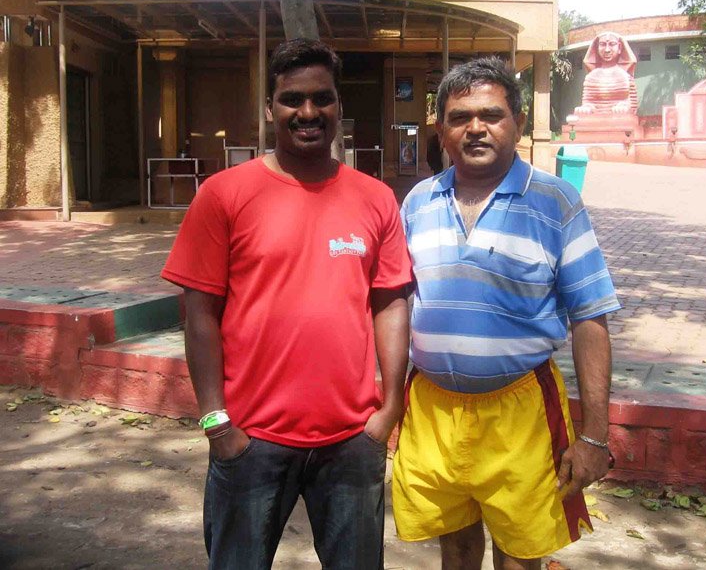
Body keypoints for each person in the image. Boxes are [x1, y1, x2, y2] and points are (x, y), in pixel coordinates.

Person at [162, 38, 412, 569]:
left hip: (352, 439)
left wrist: (390, 409)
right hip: (250, 440)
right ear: (269, 108)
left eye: (322, 98)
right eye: (292, 99)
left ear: (339, 105)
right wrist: (216, 423)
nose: (308, 112)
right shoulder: (224, 194)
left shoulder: (375, 199)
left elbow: (391, 304)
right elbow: (199, 315)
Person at [393, 57, 621, 569]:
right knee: (455, 546)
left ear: (518, 123)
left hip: (522, 410)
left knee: (520, 552)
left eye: (491, 115)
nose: (476, 128)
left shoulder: (556, 202)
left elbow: (591, 318)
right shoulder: (418, 202)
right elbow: (396, 306)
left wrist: (594, 436)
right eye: (460, 117)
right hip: (432, 408)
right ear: (441, 130)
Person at [574, 31, 638, 115]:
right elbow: (588, 102)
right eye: (603, 44)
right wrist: (586, 108)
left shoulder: (625, 76)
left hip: (619, 119)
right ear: (597, 48)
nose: (607, 50)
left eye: (612, 44)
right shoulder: (591, 77)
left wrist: (624, 106)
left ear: (619, 47)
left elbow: (633, 105)